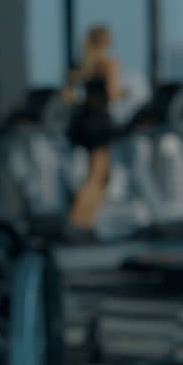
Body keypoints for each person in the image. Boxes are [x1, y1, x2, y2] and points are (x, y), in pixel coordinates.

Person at [61, 24, 121, 240]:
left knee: (97, 176)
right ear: (104, 40)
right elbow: (113, 95)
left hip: (84, 121)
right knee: (98, 176)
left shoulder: (81, 66)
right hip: (100, 121)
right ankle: (77, 220)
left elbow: (68, 98)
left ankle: (86, 223)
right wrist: (126, 94)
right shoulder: (108, 64)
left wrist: (85, 102)